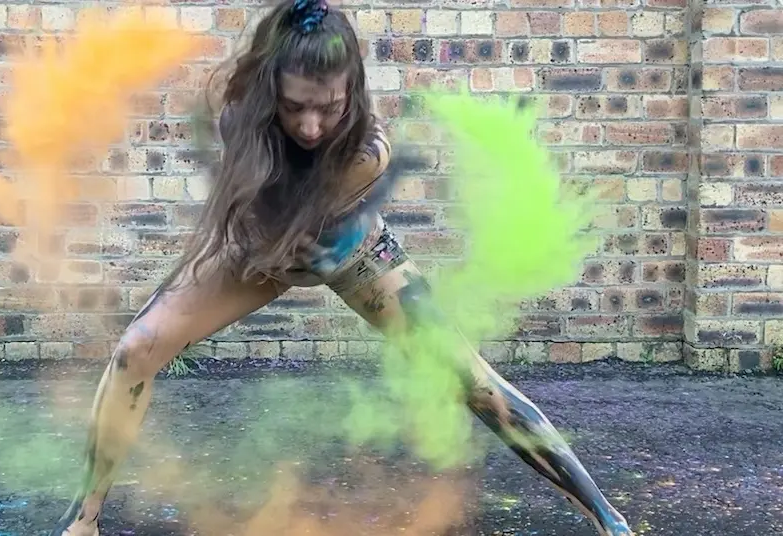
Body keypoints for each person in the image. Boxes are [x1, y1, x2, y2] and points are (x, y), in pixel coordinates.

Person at [51, 1, 634, 535]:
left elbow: (307, 214)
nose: (310, 127)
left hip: (352, 248)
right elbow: (262, 217)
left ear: (351, 92)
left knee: (472, 380)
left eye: (328, 109)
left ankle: (610, 520)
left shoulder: (367, 152)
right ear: (269, 91)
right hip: (263, 250)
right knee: (137, 349)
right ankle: (84, 520)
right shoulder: (237, 117)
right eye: (293, 107)